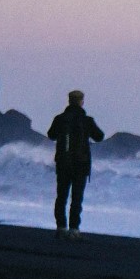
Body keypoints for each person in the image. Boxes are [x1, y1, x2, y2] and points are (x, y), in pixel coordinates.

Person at [46, 89, 104, 233]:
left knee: (61, 197)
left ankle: (61, 227)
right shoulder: (87, 120)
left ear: (69, 101)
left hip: (63, 163)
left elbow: (51, 135)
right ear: (81, 102)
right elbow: (99, 137)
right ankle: (74, 229)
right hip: (81, 164)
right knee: (76, 198)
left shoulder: (60, 119)